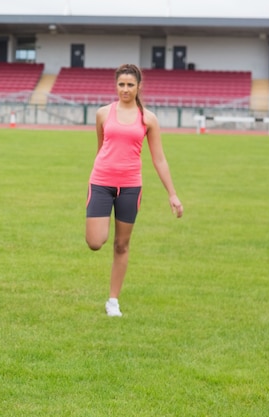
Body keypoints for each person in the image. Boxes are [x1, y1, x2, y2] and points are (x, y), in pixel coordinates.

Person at [85, 63, 184, 317]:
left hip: (130, 186)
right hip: (101, 182)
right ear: (115, 85)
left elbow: (159, 158)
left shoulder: (148, 118)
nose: (125, 89)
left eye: (130, 85)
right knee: (95, 242)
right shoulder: (103, 114)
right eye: (121, 84)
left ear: (139, 86)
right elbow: (100, 148)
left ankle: (113, 301)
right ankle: (99, 227)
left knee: (121, 245)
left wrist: (172, 194)